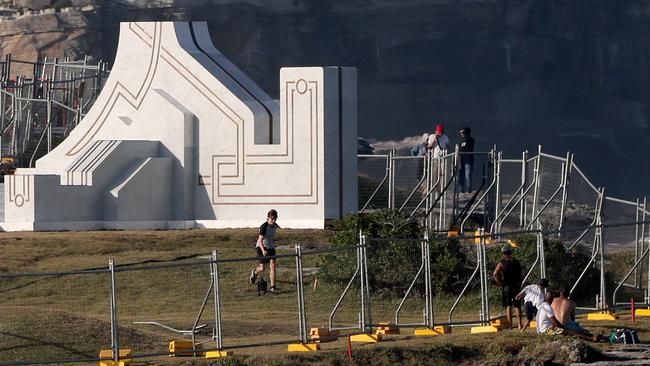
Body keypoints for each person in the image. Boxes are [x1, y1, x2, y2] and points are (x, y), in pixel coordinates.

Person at [249, 209, 280, 292]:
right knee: (263, 268)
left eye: (275, 219)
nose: (273, 221)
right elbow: (260, 240)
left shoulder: (275, 226)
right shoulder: (263, 227)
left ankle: (273, 287)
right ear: (268, 218)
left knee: (273, 265)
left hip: (271, 247)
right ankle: (255, 272)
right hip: (261, 247)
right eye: (272, 219)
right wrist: (263, 250)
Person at [493, 245, 523, 329]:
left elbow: (495, 273)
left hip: (506, 286)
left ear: (503, 253)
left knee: (508, 305)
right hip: (516, 285)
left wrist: (499, 283)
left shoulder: (502, 263)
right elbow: (520, 274)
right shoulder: (516, 262)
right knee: (517, 305)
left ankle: (510, 325)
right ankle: (520, 324)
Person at [458, 127, 475, 193]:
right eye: (461, 133)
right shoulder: (461, 142)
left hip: (468, 161)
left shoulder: (471, 140)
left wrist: (466, 137)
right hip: (461, 162)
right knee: (461, 177)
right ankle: (461, 191)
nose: (462, 134)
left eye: (463, 132)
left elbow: (469, 146)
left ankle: (468, 191)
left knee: (467, 176)